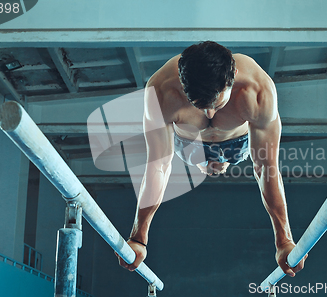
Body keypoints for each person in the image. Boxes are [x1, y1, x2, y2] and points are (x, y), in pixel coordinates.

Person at [115, 41, 307, 277]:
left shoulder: (257, 90)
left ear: (233, 76)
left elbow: (265, 167)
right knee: (192, 157)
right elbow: (159, 166)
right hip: (188, 145)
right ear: (183, 84)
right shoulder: (161, 90)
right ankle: (207, 163)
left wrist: (284, 240)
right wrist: (138, 239)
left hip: (237, 144)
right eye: (199, 106)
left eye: (217, 104)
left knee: (233, 161)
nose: (210, 114)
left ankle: (216, 163)